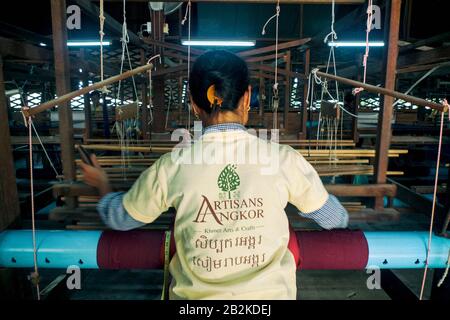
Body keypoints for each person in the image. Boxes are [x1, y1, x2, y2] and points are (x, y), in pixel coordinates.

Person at [81, 50, 348, 300]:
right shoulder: (283, 160)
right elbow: (332, 218)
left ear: (194, 104)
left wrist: (103, 186)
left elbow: (121, 218)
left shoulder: (172, 166)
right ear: (247, 98)